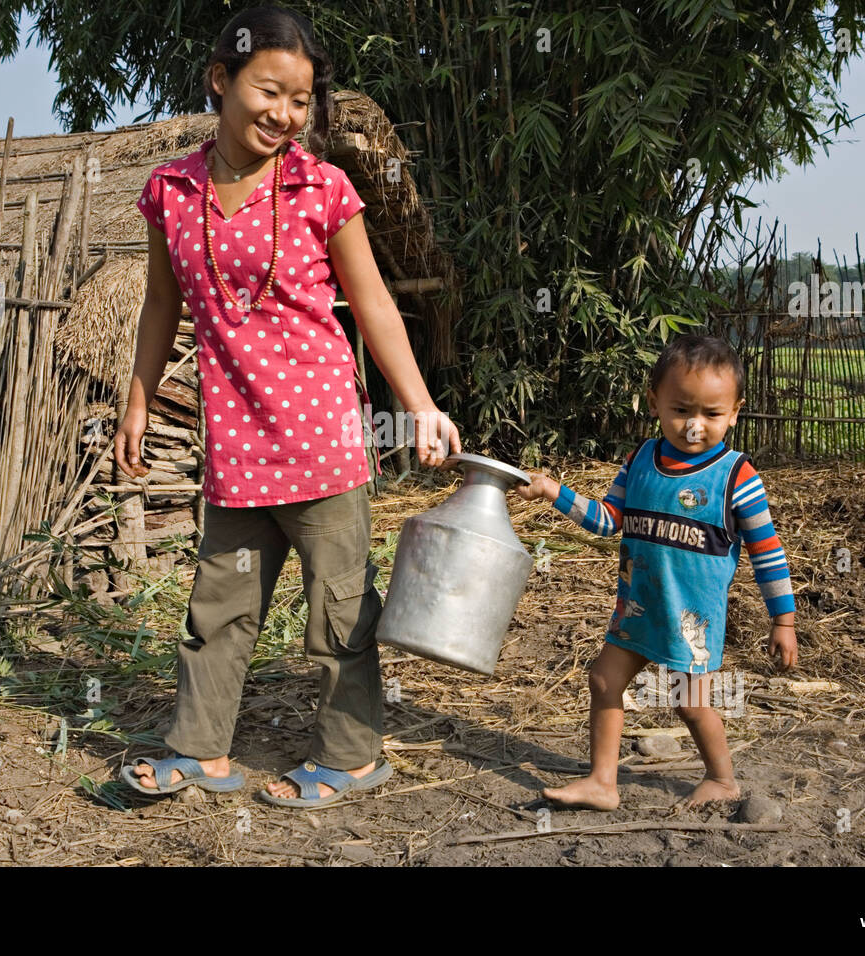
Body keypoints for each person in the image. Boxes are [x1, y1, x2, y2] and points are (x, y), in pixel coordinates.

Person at [113, 5, 460, 808]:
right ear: (219, 81)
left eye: (300, 101)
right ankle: (199, 750)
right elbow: (160, 306)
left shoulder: (321, 186)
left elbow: (371, 303)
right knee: (220, 603)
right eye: (269, 92)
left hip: (324, 439)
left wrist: (419, 405)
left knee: (340, 608)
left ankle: (351, 755)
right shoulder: (172, 191)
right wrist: (137, 400)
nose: (284, 114)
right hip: (235, 441)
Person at [514, 334, 797, 809]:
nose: (694, 426)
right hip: (638, 607)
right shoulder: (639, 461)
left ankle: (722, 778)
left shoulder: (736, 476)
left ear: (734, 411)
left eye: (711, 414)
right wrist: (552, 491)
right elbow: (607, 520)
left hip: (692, 623)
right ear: (654, 403)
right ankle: (603, 782)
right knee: (603, 682)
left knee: (690, 704)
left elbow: (768, 553)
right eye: (681, 410)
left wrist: (783, 620)